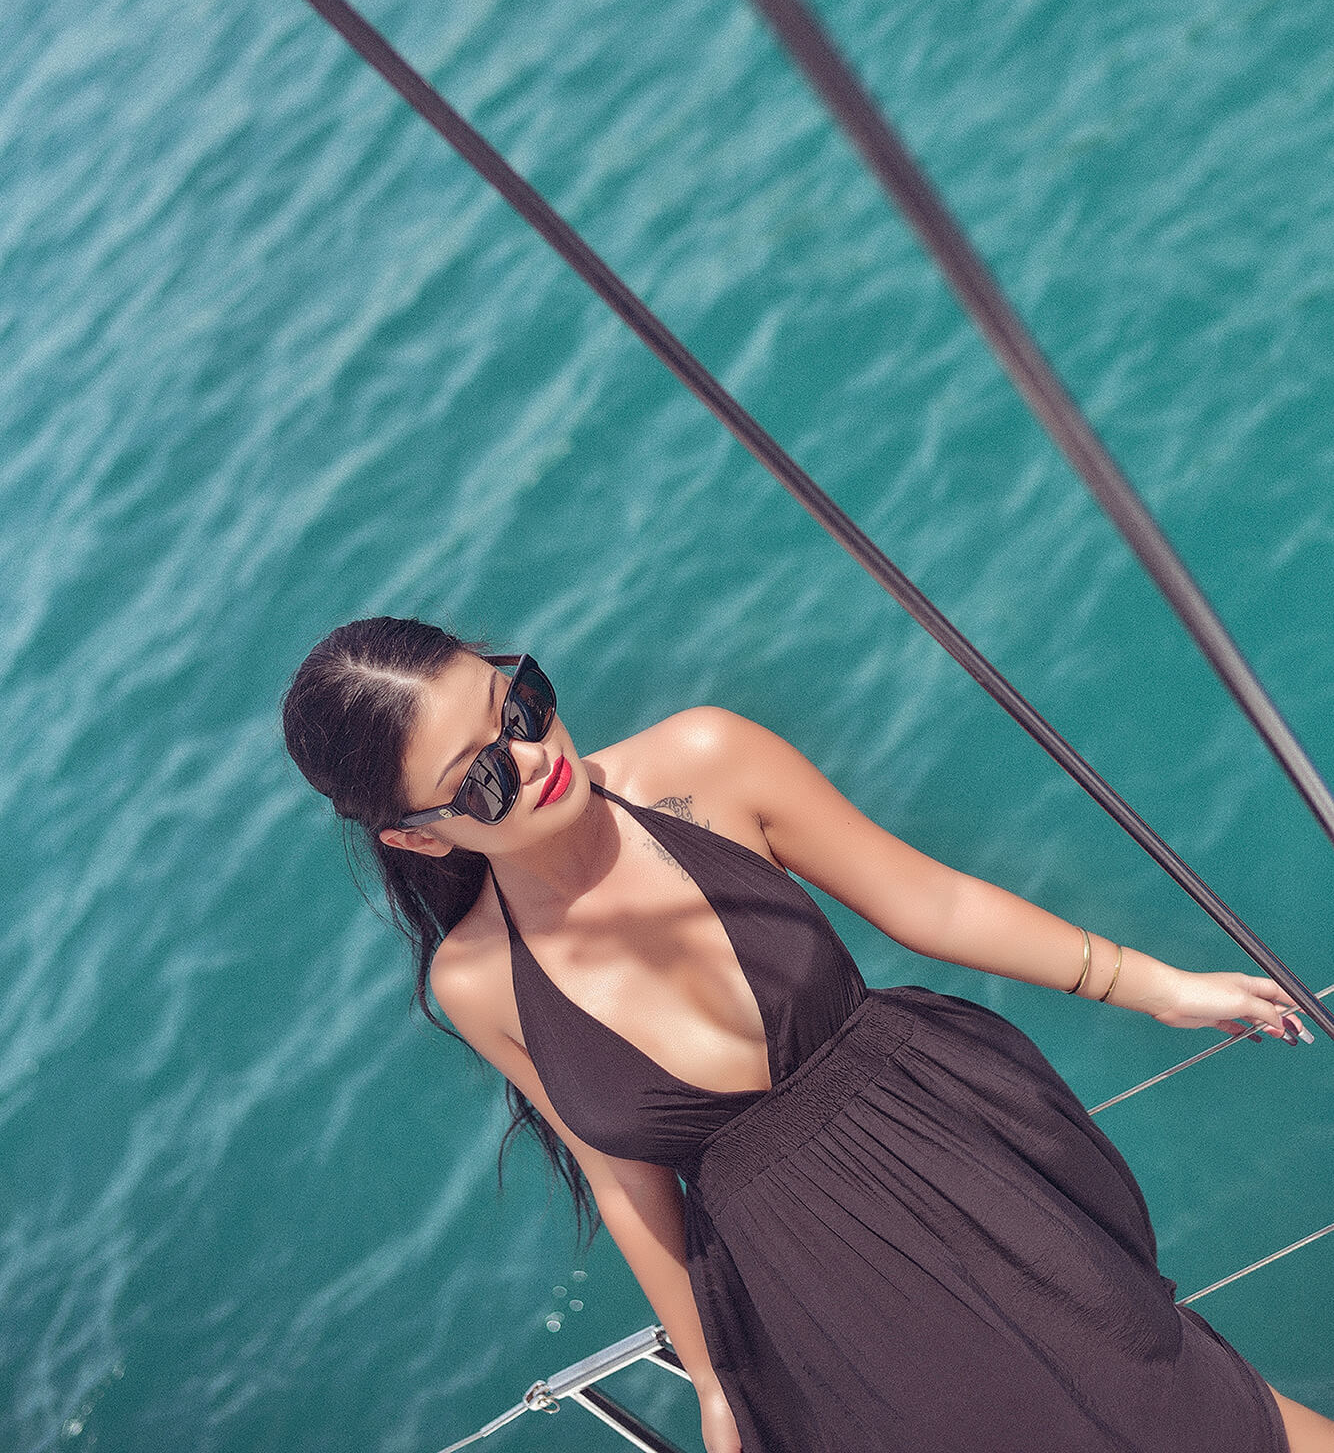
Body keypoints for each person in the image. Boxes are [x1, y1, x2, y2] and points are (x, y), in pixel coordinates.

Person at [282, 617, 1333, 1453]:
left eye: (517, 702)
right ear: (419, 833)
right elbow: (624, 1179)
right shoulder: (476, 979)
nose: (530, 750)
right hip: (811, 1295)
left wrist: (1153, 985)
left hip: (952, 1161)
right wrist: (714, 1385)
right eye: (479, 777)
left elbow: (927, 901)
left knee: (1189, 1404)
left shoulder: (705, 759)